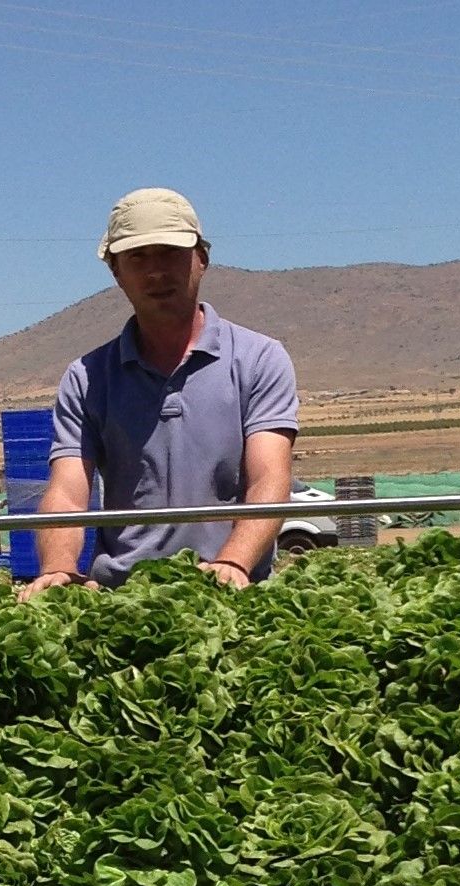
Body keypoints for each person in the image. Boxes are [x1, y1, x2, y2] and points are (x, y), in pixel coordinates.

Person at [23, 188, 299, 594]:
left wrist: (232, 563)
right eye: (137, 257)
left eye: (170, 253)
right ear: (116, 271)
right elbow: (67, 491)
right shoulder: (87, 377)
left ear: (201, 258)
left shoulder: (258, 359)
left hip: (233, 590)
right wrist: (59, 567)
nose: (155, 272)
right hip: (124, 596)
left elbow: (270, 478)